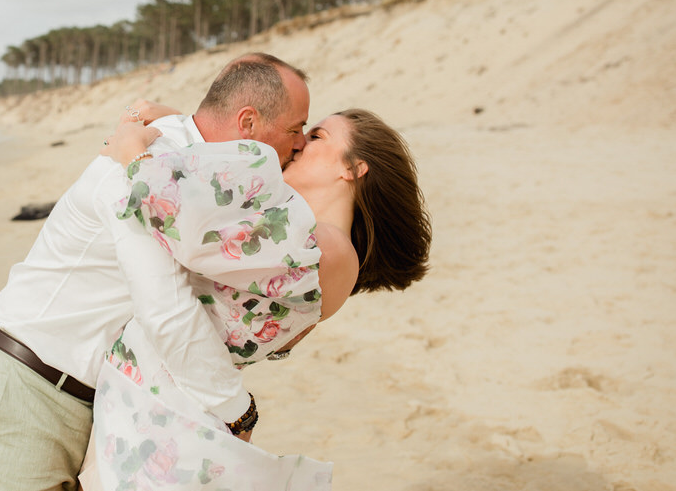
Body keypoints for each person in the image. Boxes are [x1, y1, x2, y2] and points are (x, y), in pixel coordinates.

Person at [0, 53, 311, 491]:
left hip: (89, 399)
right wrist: (238, 411)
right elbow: (166, 306)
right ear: (249, 123)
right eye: (296, 129)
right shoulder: (144, 165)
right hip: (29, 388)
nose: (301, 145)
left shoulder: (198, 168)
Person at [77, 105, 432, 489]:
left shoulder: (325, 248)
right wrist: (186, 121)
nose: (297, 145)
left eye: (316, 137)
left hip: (163, 417)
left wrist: (136, 155)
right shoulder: (309, 238)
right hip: (162, 407)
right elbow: (217, 207)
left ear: (353, 169)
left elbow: (182, 223)